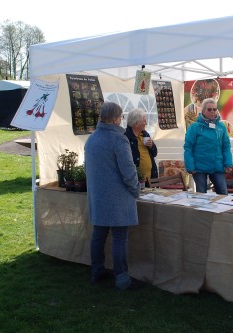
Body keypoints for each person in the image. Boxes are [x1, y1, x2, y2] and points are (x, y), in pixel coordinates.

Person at [85, 102, 141, 290]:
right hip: (118, 198)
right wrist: (136, 190)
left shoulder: (91, 139)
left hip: (99, 195)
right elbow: (129, 171)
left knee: (99, 234)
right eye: (121, 117)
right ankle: (122, 278)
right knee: (119, 237)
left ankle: (97, 271)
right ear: (117, 118)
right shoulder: (119, 139)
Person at [184, 98, 233, 194]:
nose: (212, 112)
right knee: (201, 195)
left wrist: (228, 163)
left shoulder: (221, 127)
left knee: (223, 193)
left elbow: (226, 147)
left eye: (214, 109)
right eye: (209, 109)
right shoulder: (195, 127)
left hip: (217, 166)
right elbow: (188, 147)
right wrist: (190, 166)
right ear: (203, 111)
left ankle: (221, 209)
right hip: (199, 167)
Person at [124, 108, 158, 181]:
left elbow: (155, 153)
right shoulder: (126, 138)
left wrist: (151, 146)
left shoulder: (145, 134)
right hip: (137, 180)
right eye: (144, 121)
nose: (146, 123)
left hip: (150, 179)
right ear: (136, 123)